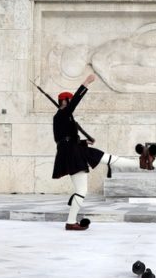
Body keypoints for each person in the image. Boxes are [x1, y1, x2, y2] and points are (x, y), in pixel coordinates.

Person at [53, 73, 136, 231]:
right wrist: (86, 83)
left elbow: (65, 139)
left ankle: (138, 164)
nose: (71, 102)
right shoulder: (62, 115)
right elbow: (63, 140)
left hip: (77, 150)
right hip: (73, 155)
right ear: (64, 101)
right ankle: (71, 222)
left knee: (105, 158)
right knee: (81, 190)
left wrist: (85, 142)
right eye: (69, 100)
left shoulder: (63, 117)